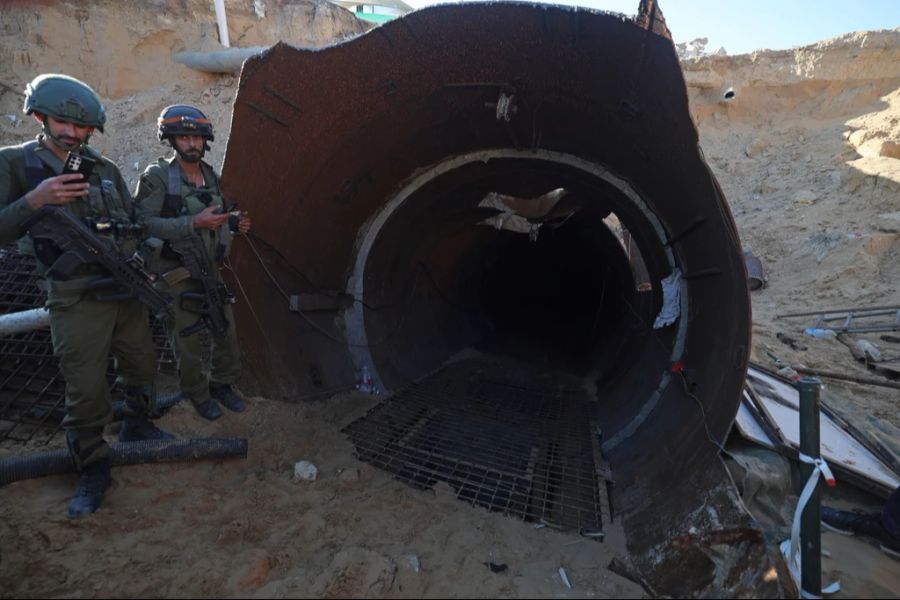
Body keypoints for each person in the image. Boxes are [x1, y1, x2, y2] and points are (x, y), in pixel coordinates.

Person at [0, 74, 173, 517]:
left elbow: (132, 224)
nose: (73, 134)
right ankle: (92, 465)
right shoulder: (16, 164)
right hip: (75, 296)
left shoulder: (104, 168)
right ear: (40, 116)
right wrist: (35, 200)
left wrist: (145, 265)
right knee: (86, 388)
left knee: (140, 363)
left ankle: (137, 424)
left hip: (123, 289)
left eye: (83, 129)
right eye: (63, 123)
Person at [134, 105, 250, 421]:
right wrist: (193, 223)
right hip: (176, 272)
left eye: (197, 137)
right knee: (187, 339)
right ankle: (198, 394)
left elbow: (217, 219)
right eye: (184, 137)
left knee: (224, 329)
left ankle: (222, 385)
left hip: (209, 269)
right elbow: (141, 224)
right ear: (171, 140)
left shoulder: (211, 177)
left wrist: (233, 225)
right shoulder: (159, 177)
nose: (192, 143)